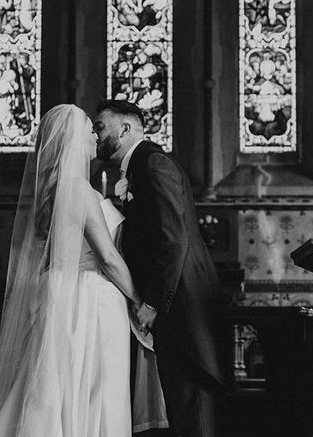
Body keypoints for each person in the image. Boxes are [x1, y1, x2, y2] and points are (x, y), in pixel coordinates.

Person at [0, 104, 142, 436]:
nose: (95, 135)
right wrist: (140, 299)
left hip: (53, 293)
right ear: (72, 139)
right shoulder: (79, 190)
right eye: (91, 129)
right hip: (88, 300)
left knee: (53, 386)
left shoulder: (47, 189)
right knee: (91, 390)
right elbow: (107, 257)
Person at [93, 99, 229, 437]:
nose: (95, 136)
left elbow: (173, 239)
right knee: (184, 412)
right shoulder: (138, 166)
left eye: (100, 127)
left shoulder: (152, 163)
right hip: (175, 309)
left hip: (182, 309)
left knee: (192, 411)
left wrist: (153, 303)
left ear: (124, 129)